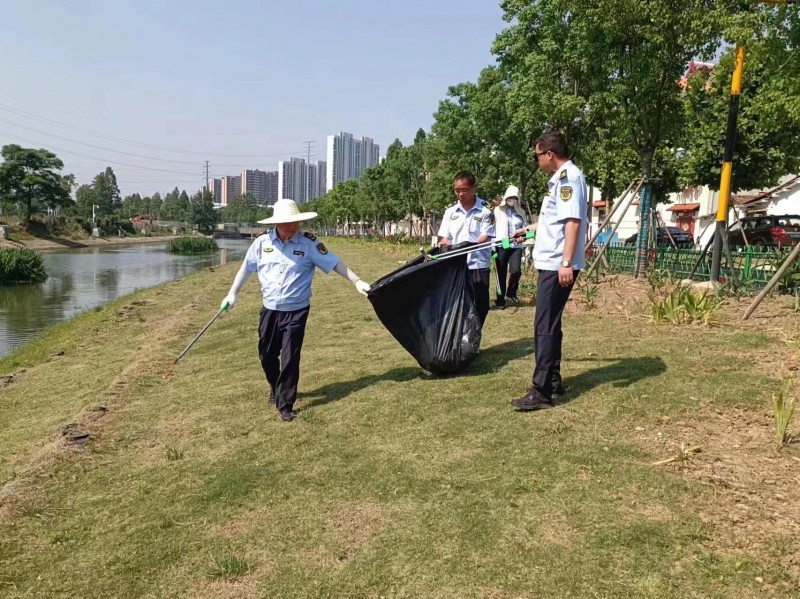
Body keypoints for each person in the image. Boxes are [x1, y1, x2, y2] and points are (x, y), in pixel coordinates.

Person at [220, 199, 371, 422]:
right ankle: (276, 387)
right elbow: (246, 268)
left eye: (296, 222)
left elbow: (335, 263)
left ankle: (285, 404)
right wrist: (232, 293)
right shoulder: (261, 243)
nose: (293, 226)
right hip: (270, 309)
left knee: (290, 356)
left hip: (297, 310)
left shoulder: (309, 243)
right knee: (267, 354)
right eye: (287, 223)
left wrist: (357, 281)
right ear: (277, 223)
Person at [511, 132, 588, 411]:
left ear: (549, 154)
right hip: (552, 262)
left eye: (537, 155)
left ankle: (541, 390)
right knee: (550, 324)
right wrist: (530, 229)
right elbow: (556, 221)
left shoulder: (569, 178)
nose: (537, 161)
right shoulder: (561, 180)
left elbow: (572, 222)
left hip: (557, 265)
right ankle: (553, 380)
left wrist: (566, 262)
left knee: (544, 326)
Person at [437, 171, 496, 325]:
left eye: (464, 190)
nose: (460, 194)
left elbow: (485, 237)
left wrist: (467, 246)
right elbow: (446, 237)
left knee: (481, 305)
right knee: (458, 305)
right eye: (457, 190)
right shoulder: (450, 212)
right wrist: (443, 244)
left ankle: (472, 338)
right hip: (457, 266)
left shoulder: (486, 210)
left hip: (478, 265)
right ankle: (461, 342)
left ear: (474, 188)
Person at [493, 185, 527, 308]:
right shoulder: (497, 211)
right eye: (510, 197)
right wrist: (492, 246)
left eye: (514, 197)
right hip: (501, 245)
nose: (512, 199)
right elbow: (491, 228)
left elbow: (526, 229)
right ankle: (500, 300)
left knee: (516, 271)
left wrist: (524, 237)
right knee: (500, 274)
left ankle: (511, 292)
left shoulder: (521, 212)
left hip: (515, 246)